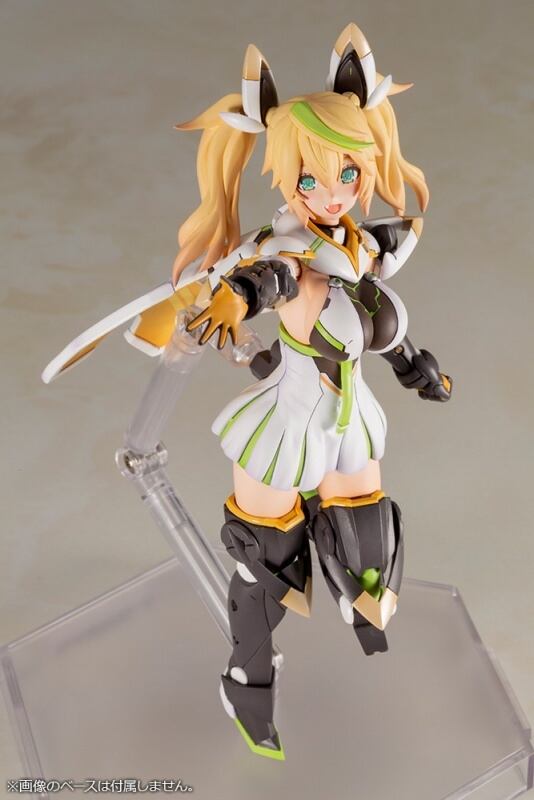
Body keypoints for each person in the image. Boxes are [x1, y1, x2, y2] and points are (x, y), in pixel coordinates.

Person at [172, 23, 452, 760]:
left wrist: (415, 366)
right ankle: (247, 680)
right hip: (288, 420)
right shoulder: (291, 250)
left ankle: (362, 617)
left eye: (347, 176)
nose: (331, 194)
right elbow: (269, 280)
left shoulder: (364, 247)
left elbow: (375, 323)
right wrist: (236, 296)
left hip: (348, 416)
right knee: (266, 559)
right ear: (287, 178)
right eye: (309, 181)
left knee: (368, 539)